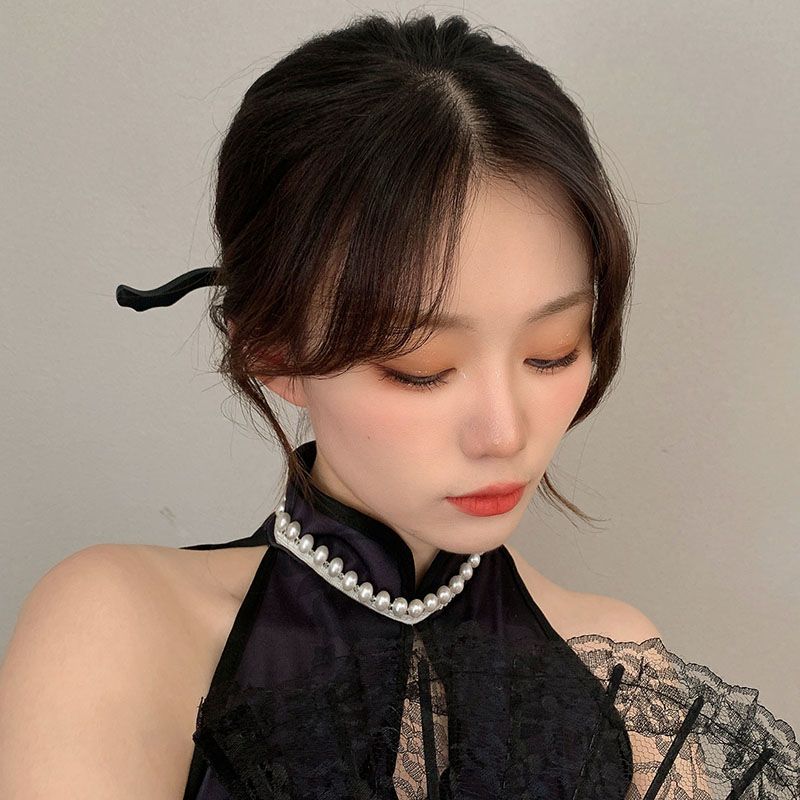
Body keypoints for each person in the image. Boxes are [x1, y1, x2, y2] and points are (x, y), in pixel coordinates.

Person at [1, 12, 797, 800]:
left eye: (551, 351)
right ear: (273, 353)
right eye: (422, 368)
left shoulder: (619, 666)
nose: (504, 433)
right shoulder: (124, 625)